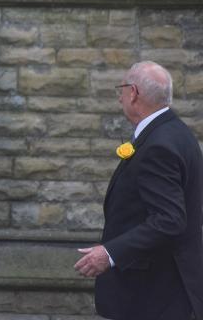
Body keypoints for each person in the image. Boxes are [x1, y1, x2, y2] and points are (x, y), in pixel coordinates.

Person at [74, 61, 203, 320]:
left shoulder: (159, 145)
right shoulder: (177, 133)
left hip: (153, 294)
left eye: (121, 89)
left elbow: (169, 219)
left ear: (133, 93)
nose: (119, 97)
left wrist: (110, 253)